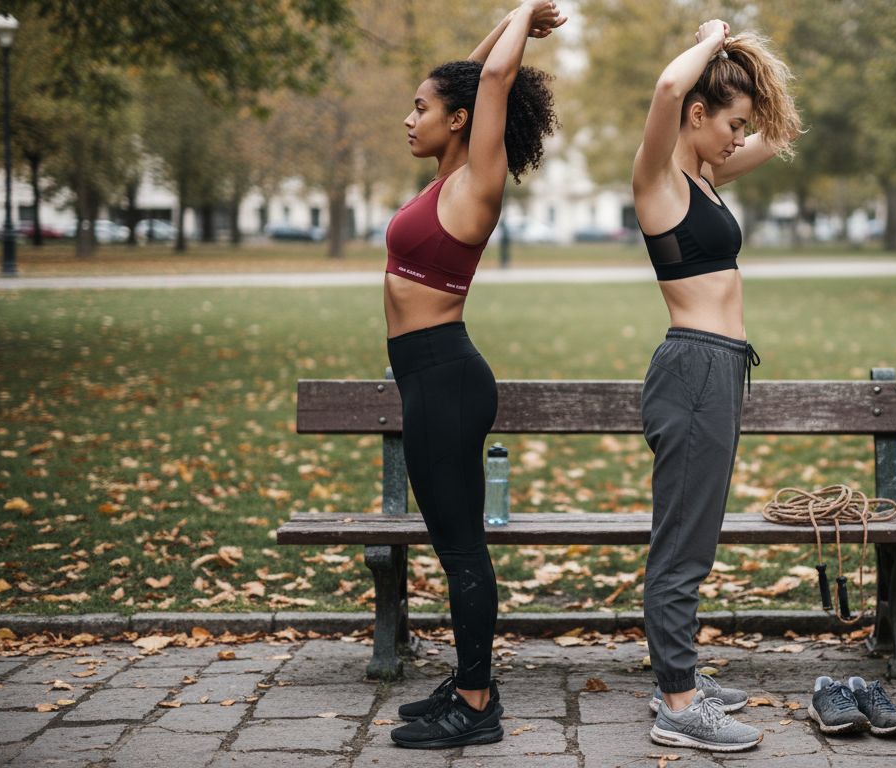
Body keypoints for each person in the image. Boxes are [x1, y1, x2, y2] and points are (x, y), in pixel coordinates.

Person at [384, 0, 564, 750]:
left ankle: (477, 699)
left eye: (420, 108)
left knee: (459, 546)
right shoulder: (450, 173)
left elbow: (488, 78)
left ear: (459, 121)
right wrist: (508, 21)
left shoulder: (476, 180)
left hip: (445, 379)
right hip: (431, 377)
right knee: (452, 540)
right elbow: (476, 71)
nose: (409, 118)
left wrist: (523, 12)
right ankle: (466, 678)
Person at [631, 19, 801, 753]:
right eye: (726, 123)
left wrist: (749, 71)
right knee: (683, 546)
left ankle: (683, 675)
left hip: (720, 368)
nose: (740, 138)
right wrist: (711, 38)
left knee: (694, 536)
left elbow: (781, 130)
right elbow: (671, 85)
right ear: (696, 117)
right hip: (695, 368)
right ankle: (678, 704)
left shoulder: (705, 176)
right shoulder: (659, 177)